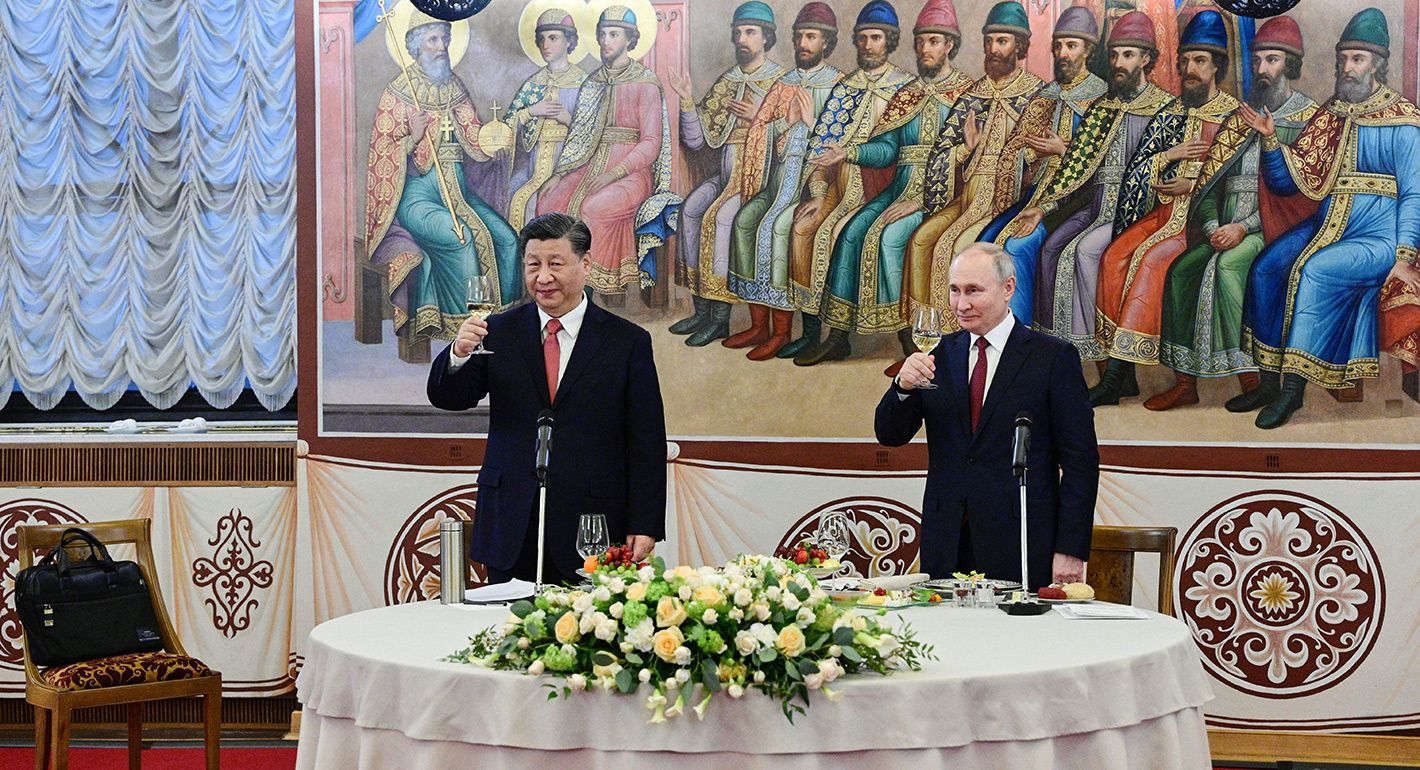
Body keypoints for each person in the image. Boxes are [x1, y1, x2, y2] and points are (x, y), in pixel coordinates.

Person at [427, 213, 667, 585]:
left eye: (555, 264)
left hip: (592, 527)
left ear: (585, 263)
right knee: (505, 635)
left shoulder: (626, 342)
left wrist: (645, 523)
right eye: (533, 265)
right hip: (511, 520)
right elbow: (450, 398)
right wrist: (458, 352)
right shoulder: (498, 333)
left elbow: (646, 440)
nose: (543, 278)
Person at [1235, 7, 1420, 428]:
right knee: (1266, 268)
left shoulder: (1405, 121)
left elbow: (1415, 193)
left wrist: (1404, 256)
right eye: (1343, 60)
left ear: (1378, 64)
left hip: (1381, 236)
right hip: (1329, 224)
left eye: (1357, 59)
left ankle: (1293, 393)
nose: (1347, 68)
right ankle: (1267, 381)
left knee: (1316, 270)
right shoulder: (1332, 114)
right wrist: (1269, 143)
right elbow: (1290, 183)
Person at [875, 242, 1098, 588]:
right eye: (954, 291)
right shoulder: (939, 354)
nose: (961, 305)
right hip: (946, 543)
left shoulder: (1052, 358)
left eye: (973, 291)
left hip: (1021, 544)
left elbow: (1081, 461)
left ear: (1008, 288)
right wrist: (902, 387)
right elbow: (890, 435)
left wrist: (1070, 548)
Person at [1148, 16, 1318, 410]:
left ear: (1290, 65)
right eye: (1257, 60)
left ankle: (1252, 380)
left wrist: (1241, 228)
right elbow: (1210, 185)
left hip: (1273, 229)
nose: (1262, 69)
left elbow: (1300, 199)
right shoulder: (1237, 119)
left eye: (1272, 60)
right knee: (1182, 270)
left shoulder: (1308, 119)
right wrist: (1211, 226)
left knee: (1228, 268)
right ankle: (1185, 382)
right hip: (1222, 226)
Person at [800, 0, 972, 367]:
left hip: (942, 196)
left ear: (950, 46)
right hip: (900, 188)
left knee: (890, 238)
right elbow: (887, 148)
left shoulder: (968, 95)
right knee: (851, 233)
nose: (926, 49)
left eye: (935, 41)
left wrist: (924, 200)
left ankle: (912, 342)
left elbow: (970, 158)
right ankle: (840, 337)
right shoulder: (907, 94)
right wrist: (848, 154)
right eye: (921, 41)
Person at [1090, 10, 1244, 407]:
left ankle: (1182, 383)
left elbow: (1245, 183)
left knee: (1154, 263)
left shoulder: (1234, 117)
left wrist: (1194, 185)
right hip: (1165, 215)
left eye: (1199, 62)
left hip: (1205, 221)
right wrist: (1165, 160)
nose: (1189, 70)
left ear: (1217, 68)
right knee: (1113, 257)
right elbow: (1140, 168)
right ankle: (1118, 376)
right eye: (1185, 61)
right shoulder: (1172, 113)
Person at [999, 10, 1171, 361]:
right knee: (1050, 250)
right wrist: (1041, 208)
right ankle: (1057, 350)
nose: (1119, 63)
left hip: (1138, 213)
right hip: (1097, 208)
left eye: (1128, 55)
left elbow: (1165, 176)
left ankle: (1102, 352)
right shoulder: (1104, 108)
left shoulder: (1166, 109)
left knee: (1085, 251)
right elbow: (1077, 165)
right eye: (1115, 55)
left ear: (1147, 59)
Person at [365, 11, 521, 344]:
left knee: (507, 239)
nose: (442, 47)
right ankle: (468, 330)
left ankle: (507, 324)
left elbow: (473, 133)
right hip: (417, 198)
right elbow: (382, 154)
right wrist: (412, 137)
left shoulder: (454, 85)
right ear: (415, 45)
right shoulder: (397, 93)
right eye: (434, 39)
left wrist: (493, 141)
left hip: (459, 194)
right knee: (461, 239)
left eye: (445, 39)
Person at [896, 2, 1044, 344]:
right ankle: (925, 338)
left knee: (955, 246)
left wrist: (1030, 156)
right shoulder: (973, 94)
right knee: (920, 241)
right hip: (967, 199)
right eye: (990, 41)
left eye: (1003, 41)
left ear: (1020, 47)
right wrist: (967, 148)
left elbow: (1039, 162)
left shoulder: (1037, 94)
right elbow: (942, 154)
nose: (994, 49)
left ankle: (957, 341)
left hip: (1004, 202)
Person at [783, 0, 913, 361]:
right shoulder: (846, 88)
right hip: (839, 187)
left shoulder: (905, 89)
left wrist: (851, 152)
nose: (868, 45)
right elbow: (823, 147)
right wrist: (819, 191)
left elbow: (895, 152)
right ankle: (814, 334)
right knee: (804, 228)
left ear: (889, 41)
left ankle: (845, 336)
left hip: (884, 188)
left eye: (876, 38)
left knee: (836, 233)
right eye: (863, 38)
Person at [724, 3, 844, 360]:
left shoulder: (838, 85)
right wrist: (786, 122)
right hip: (777, 182)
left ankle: (781, 330)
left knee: (777, 228)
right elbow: (760, 133)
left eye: (811, 37)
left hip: (814, 184)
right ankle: (759, 324)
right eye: (799, 37)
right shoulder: (784, 84)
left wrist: (808, 126)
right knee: (744, 221)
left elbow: (838, 146)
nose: (802, 44)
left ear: (826, 43)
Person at [536, 5, 678, 297]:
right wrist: (560, 173)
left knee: (593, 208)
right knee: (548, 202)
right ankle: (560, 284)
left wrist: (614, 173)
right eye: (602, 34)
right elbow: (580, 134)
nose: (605, 41)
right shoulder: (593, 82)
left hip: (632, 173)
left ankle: (594, 290)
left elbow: (651, 144)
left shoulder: (645, 82)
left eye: (613, 34)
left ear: (630, 39)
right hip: (590, 164)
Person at [665, 1, 785, 347]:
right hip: (726, 175)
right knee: (690, 209)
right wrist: (687, 101)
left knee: (719, 218)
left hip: (760, 179)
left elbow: (795, 138)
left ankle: (721, 320)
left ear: (766, 38)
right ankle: (701, 310)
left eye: (750, 32)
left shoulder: (781, 82)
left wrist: (761, 117)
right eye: (737, 33)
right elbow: (697, 140)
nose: (742, 40)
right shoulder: (728, 81)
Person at [502, 9, 587, 233]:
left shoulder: (584, 83)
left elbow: (595, 132)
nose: (545, 45)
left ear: (569, 41)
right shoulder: (534, 84)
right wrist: (531, 111)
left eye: (553, 38)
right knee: (514, 196)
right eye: (541, 39)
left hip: (569, 165)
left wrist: (567, 119)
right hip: (534, 166)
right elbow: (506, 126)